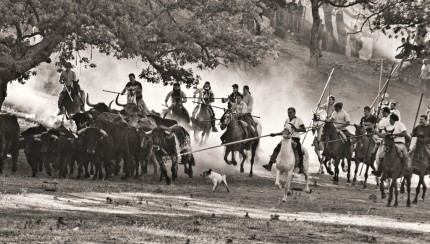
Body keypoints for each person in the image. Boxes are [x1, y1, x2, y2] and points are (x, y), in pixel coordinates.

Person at [262, 107, 306, 173]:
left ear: (294, 113)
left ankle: (301, 167)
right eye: (288, 112)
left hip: (295, 138)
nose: (289, 114)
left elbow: (304, 129)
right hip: (286, 137)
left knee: (299, 150)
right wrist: (275, 134)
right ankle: (270, 164)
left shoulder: (298, 119)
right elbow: (284, 131)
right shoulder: (287, 120)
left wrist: (295, 129)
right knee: (277, 148)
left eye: (291, 112)